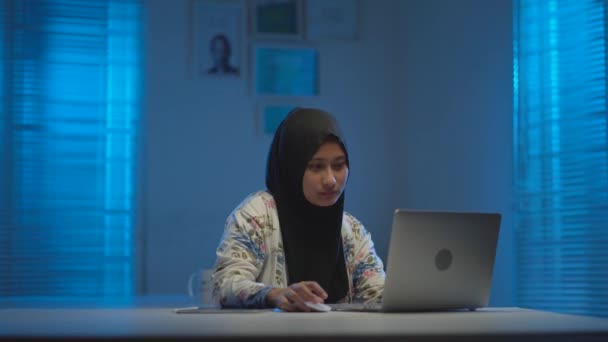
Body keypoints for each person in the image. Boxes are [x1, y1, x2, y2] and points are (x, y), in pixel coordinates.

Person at [212, 108, 385, 312]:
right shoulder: (255, 217)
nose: (330, 180)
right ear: (291, 168)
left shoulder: (351, 231)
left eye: (338, 166)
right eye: (316, 167)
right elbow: (225, 286)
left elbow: (379, 295)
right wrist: (275, 294)